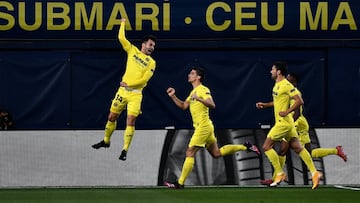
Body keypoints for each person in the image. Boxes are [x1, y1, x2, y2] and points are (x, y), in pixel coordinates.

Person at [164, 66, 260, 189]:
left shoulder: (203, 90)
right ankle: (245, 146)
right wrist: (173, 96)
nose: (189, 75)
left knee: (190, 151)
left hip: (203, 127)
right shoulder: (193, 92)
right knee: (216, 153)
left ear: (198, 77)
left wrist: (199, 99)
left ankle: (180, 183)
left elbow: (212, 104)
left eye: (192, 73)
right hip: (206, 127)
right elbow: (183, 106)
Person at [260, 72, 347, 186]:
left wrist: (289, 124)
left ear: (294, 82)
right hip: (293, 123)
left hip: (295, 122)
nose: (287, 80)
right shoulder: (285, 90)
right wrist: (266, 105)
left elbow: (297, 112)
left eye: (289, 79)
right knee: (305, 152)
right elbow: (277, 102)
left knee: (282, 149)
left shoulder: (294, 92)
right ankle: (335, 151)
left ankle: (277, 177)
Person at [92, 18, 157, 161]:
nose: (152, 47)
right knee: (111, 117)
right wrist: (123, 23)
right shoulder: (132, 50)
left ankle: (124, 149)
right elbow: (121, 37)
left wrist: (129, 85)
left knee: (130, 120)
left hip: (135, 94)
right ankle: (106, 141)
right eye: (150, 44)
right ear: (143, 44)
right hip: (123, 92)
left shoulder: (151, 62)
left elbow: (144, 80)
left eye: (154, 46)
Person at [256, 61, 322, 189]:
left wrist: (287, 111)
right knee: (298, 148)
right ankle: (315, 173)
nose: (271, 71)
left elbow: (300, 101)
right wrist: (265, 105)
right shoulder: (277, 85)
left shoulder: (286, 85)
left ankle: (279, 173)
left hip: (283, 123)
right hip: (289, 124)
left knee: (266, 146)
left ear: (279, 71)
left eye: (273, 69)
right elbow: (278, 101)